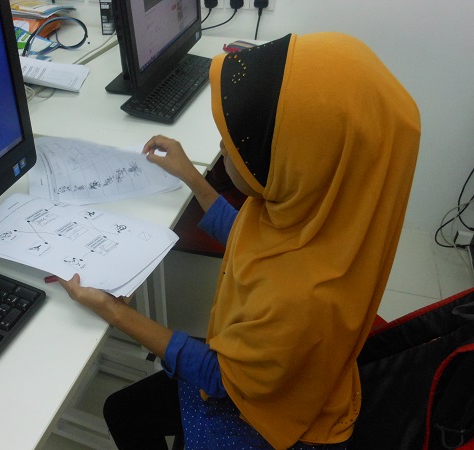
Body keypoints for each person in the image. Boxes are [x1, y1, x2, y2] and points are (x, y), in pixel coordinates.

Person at [58, 32, 421, 449]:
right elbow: (249, 240)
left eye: (230, 147)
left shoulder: (300, 300)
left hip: (266, 412)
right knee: (129, 407)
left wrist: (113, 311)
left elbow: (220, 379)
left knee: (122, 410)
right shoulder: (323, 216)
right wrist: (193, 178)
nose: (221, 150)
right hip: (279, 371)